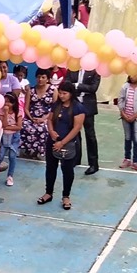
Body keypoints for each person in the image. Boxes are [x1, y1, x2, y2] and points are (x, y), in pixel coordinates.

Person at [39, 82, 84, 211]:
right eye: (60, 93)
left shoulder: (78, 108)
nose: (62, 95)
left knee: (67, 170)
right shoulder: (56, 105)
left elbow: (77, 128)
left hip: (68, 144)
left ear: (71, 94)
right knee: (50, 168)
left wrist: (62, 142)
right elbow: (49, 119)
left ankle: (66, 196)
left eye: (65, 93)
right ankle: (48, 193)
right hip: (52, 142)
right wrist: (51, 131)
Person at [67, 69, 100, 175]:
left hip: (88, 106)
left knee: (90, 135)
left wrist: (77, 85)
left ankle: (93, 164)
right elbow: (67, 84)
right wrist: (83, 87)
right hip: (74, 105)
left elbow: (93, 88)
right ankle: (76, 159)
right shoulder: (72, 69)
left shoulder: (94, 71)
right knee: (75, 133)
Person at [0, 94, 21, 186]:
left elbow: (19, 127)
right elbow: (3, 125)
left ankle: (10, 176)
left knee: (12, 156)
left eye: (9, 102)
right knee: (0, 156)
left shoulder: (18, 112)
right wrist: (6, 113)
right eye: (5, 101)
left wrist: (7, 127)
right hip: (4, 137)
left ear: (14, 103)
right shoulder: (1, 111)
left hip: (14, 137)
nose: (7, 104)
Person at [120, 74, 137, 170]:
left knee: (136, 138)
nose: (132, 77)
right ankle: (127, 159)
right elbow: (121, 100)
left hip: (136, 118)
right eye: (130, 75)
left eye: (134, 75)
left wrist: (134, 116)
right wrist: (123, 114)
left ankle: (135, 161)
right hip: (125, 117)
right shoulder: (125, 86)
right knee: (127, 137)